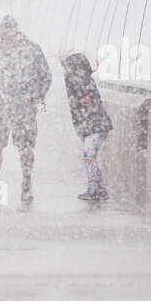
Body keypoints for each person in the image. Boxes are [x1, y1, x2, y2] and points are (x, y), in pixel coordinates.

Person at [0, 15, 51, 205]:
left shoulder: (29, 50)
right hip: (9, 105)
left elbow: (45, 76)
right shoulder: (18, 51)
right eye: (7, 36)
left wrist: (34, 96)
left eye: (13, 35)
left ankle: (24, 182)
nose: (11, 39)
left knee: (18, 147)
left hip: (16, 105)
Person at [60, 50, 113, 201]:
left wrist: (67, 71)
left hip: (95, 126)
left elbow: (75, 88)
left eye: (70, 66)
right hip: (95, 125)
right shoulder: (85, 79)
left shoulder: (79, 80)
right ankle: (99, 188)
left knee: (89, 154)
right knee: (90, 155)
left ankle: (94, 188)